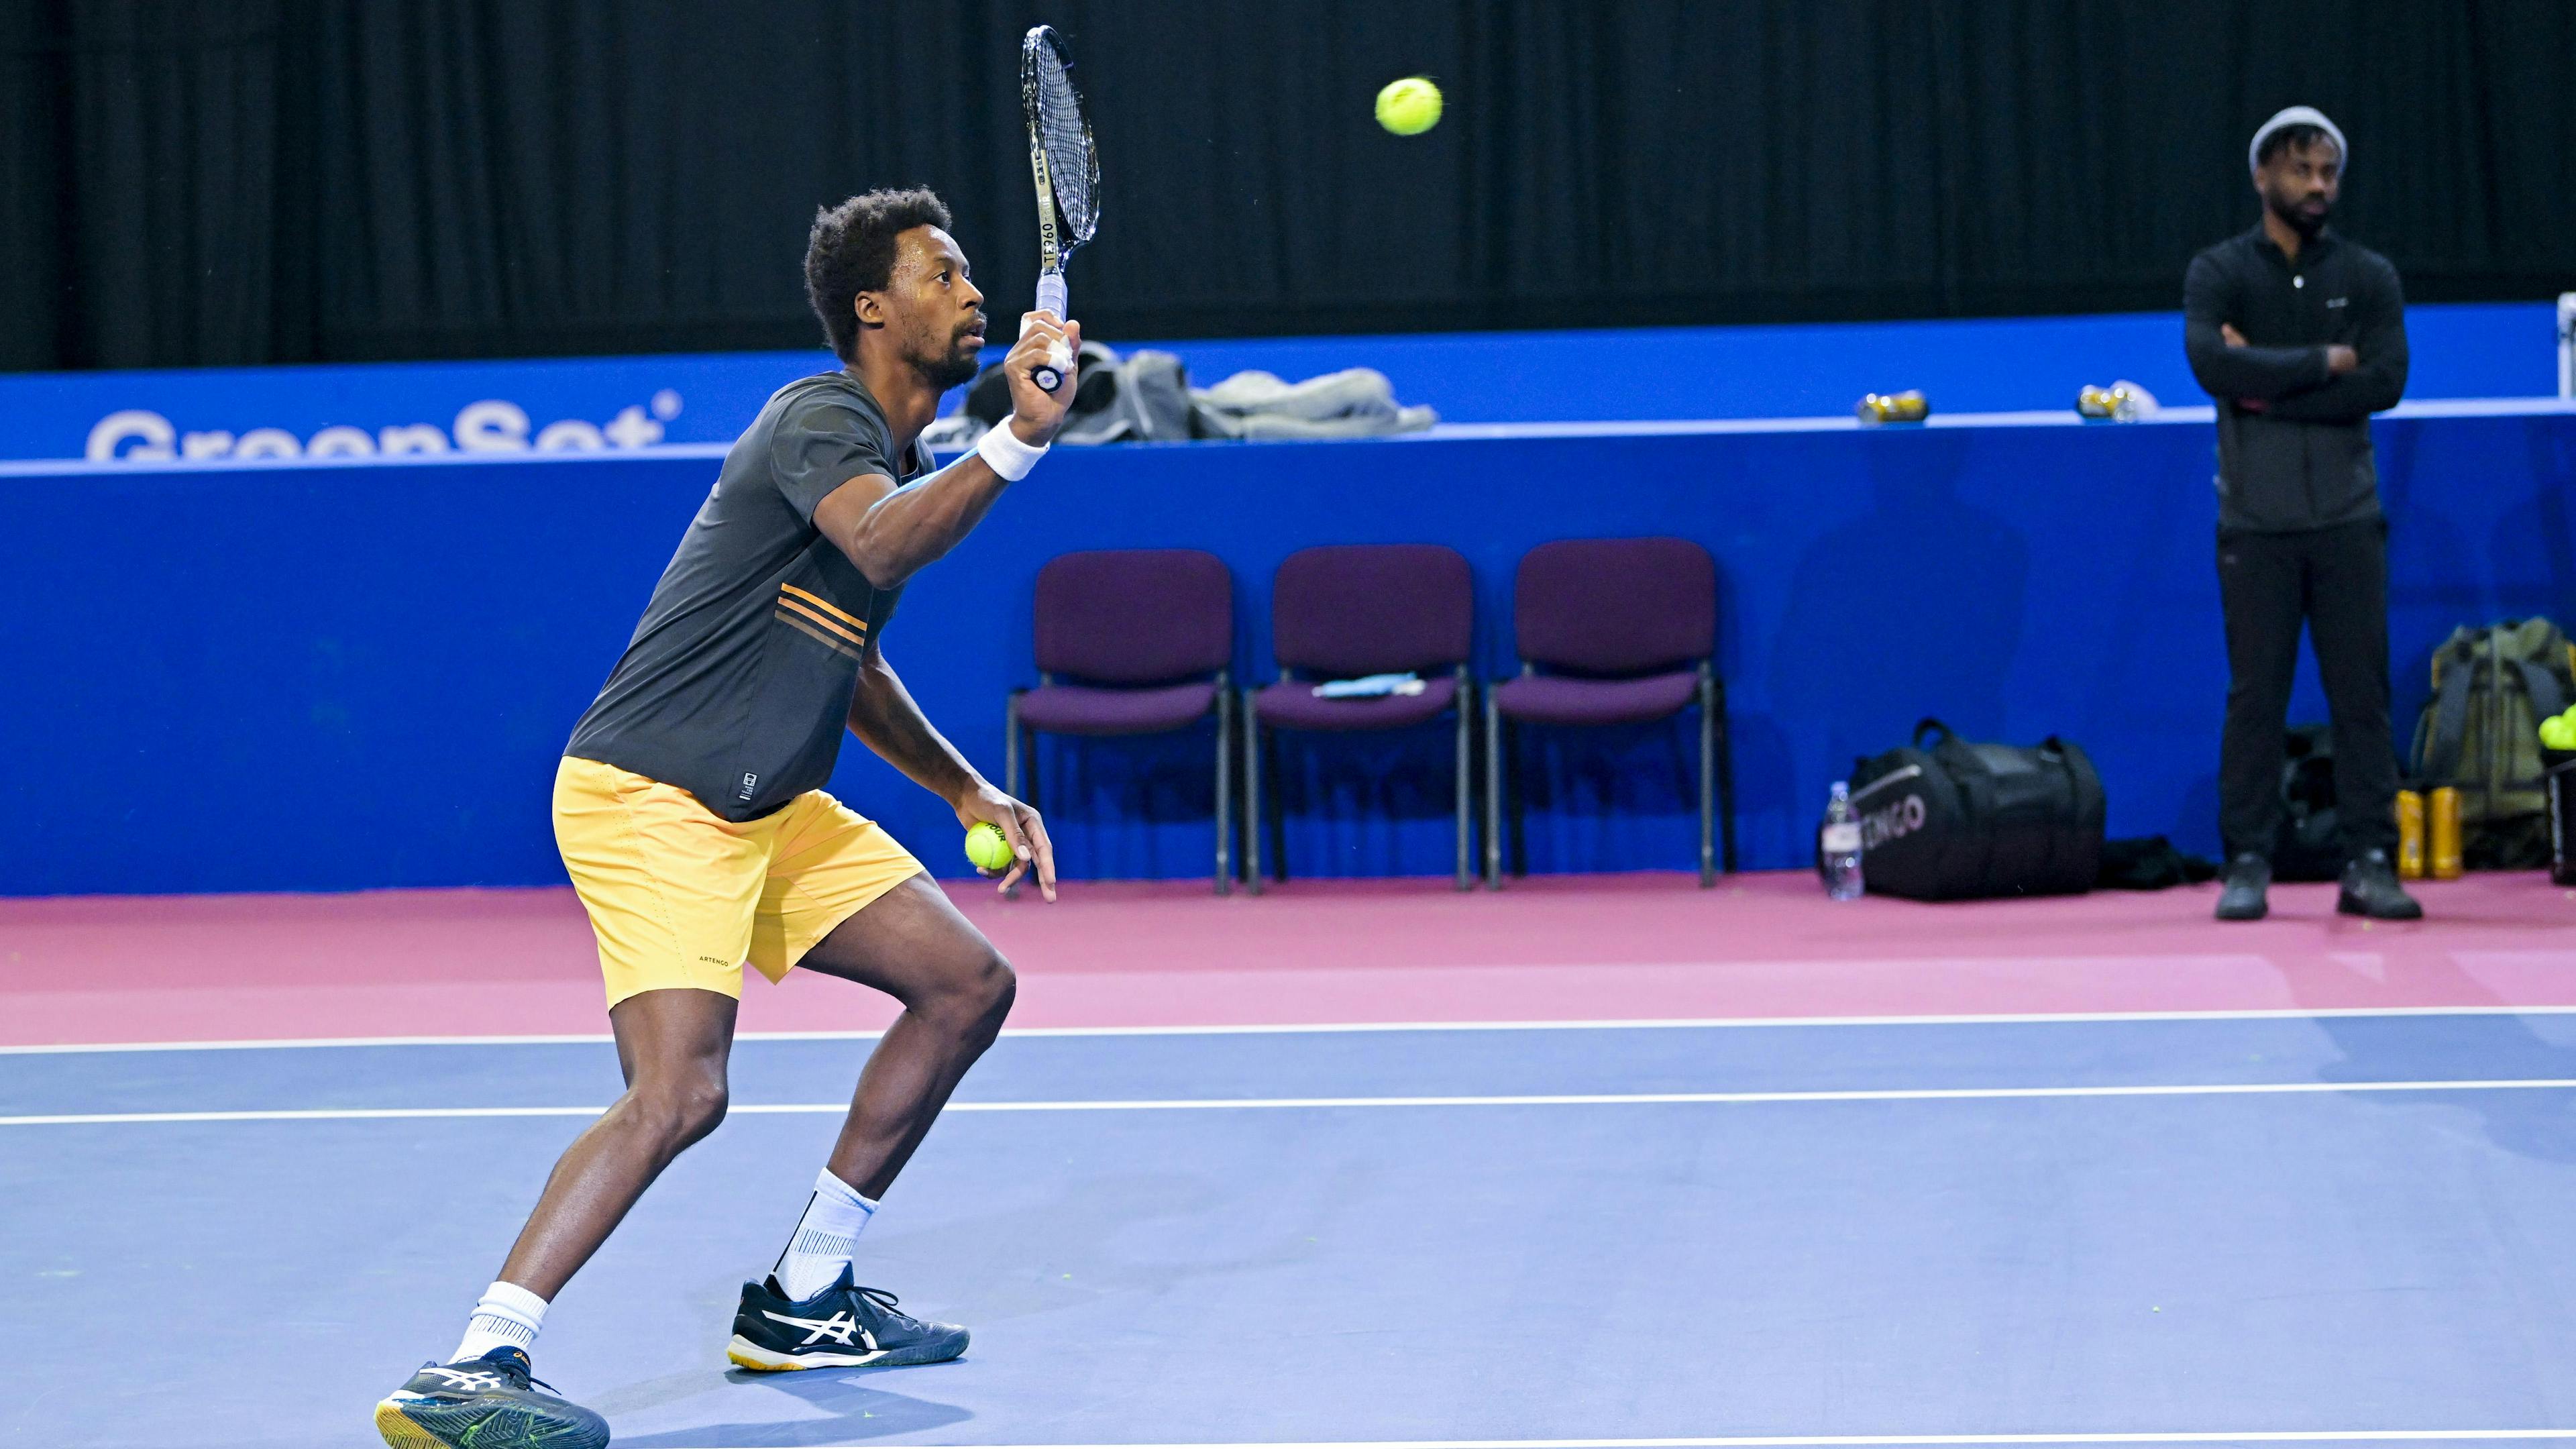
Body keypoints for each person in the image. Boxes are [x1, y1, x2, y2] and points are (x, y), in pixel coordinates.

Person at [374, 188, 1079, 1449]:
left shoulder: (898, 462)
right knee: (681, 1092)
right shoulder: (820, 418)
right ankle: (477, 1361)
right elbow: (874, 553)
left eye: (973, 277)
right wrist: (1017, 443)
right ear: (874, 308)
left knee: (967, 985)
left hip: (767, 806)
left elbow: (850, 658)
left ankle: (806, 1297)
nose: (974, 296)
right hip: (654, 794)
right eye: (946, 274)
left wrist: (965, 787)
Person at [2183, 106, 2421, 924]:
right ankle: (2248, 861)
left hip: (2349, 523)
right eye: (2300, 171)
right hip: (2254, 524)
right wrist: (2323, 362)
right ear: (2263, 176)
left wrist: (2266, 387)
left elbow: (2385, 381)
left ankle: (2371, 861)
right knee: (2257, 698)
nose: (2317, 187)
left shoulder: (2368, 275)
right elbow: (2211, 364)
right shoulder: (2219, 270)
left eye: (2327, 173)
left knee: (2362, 698)